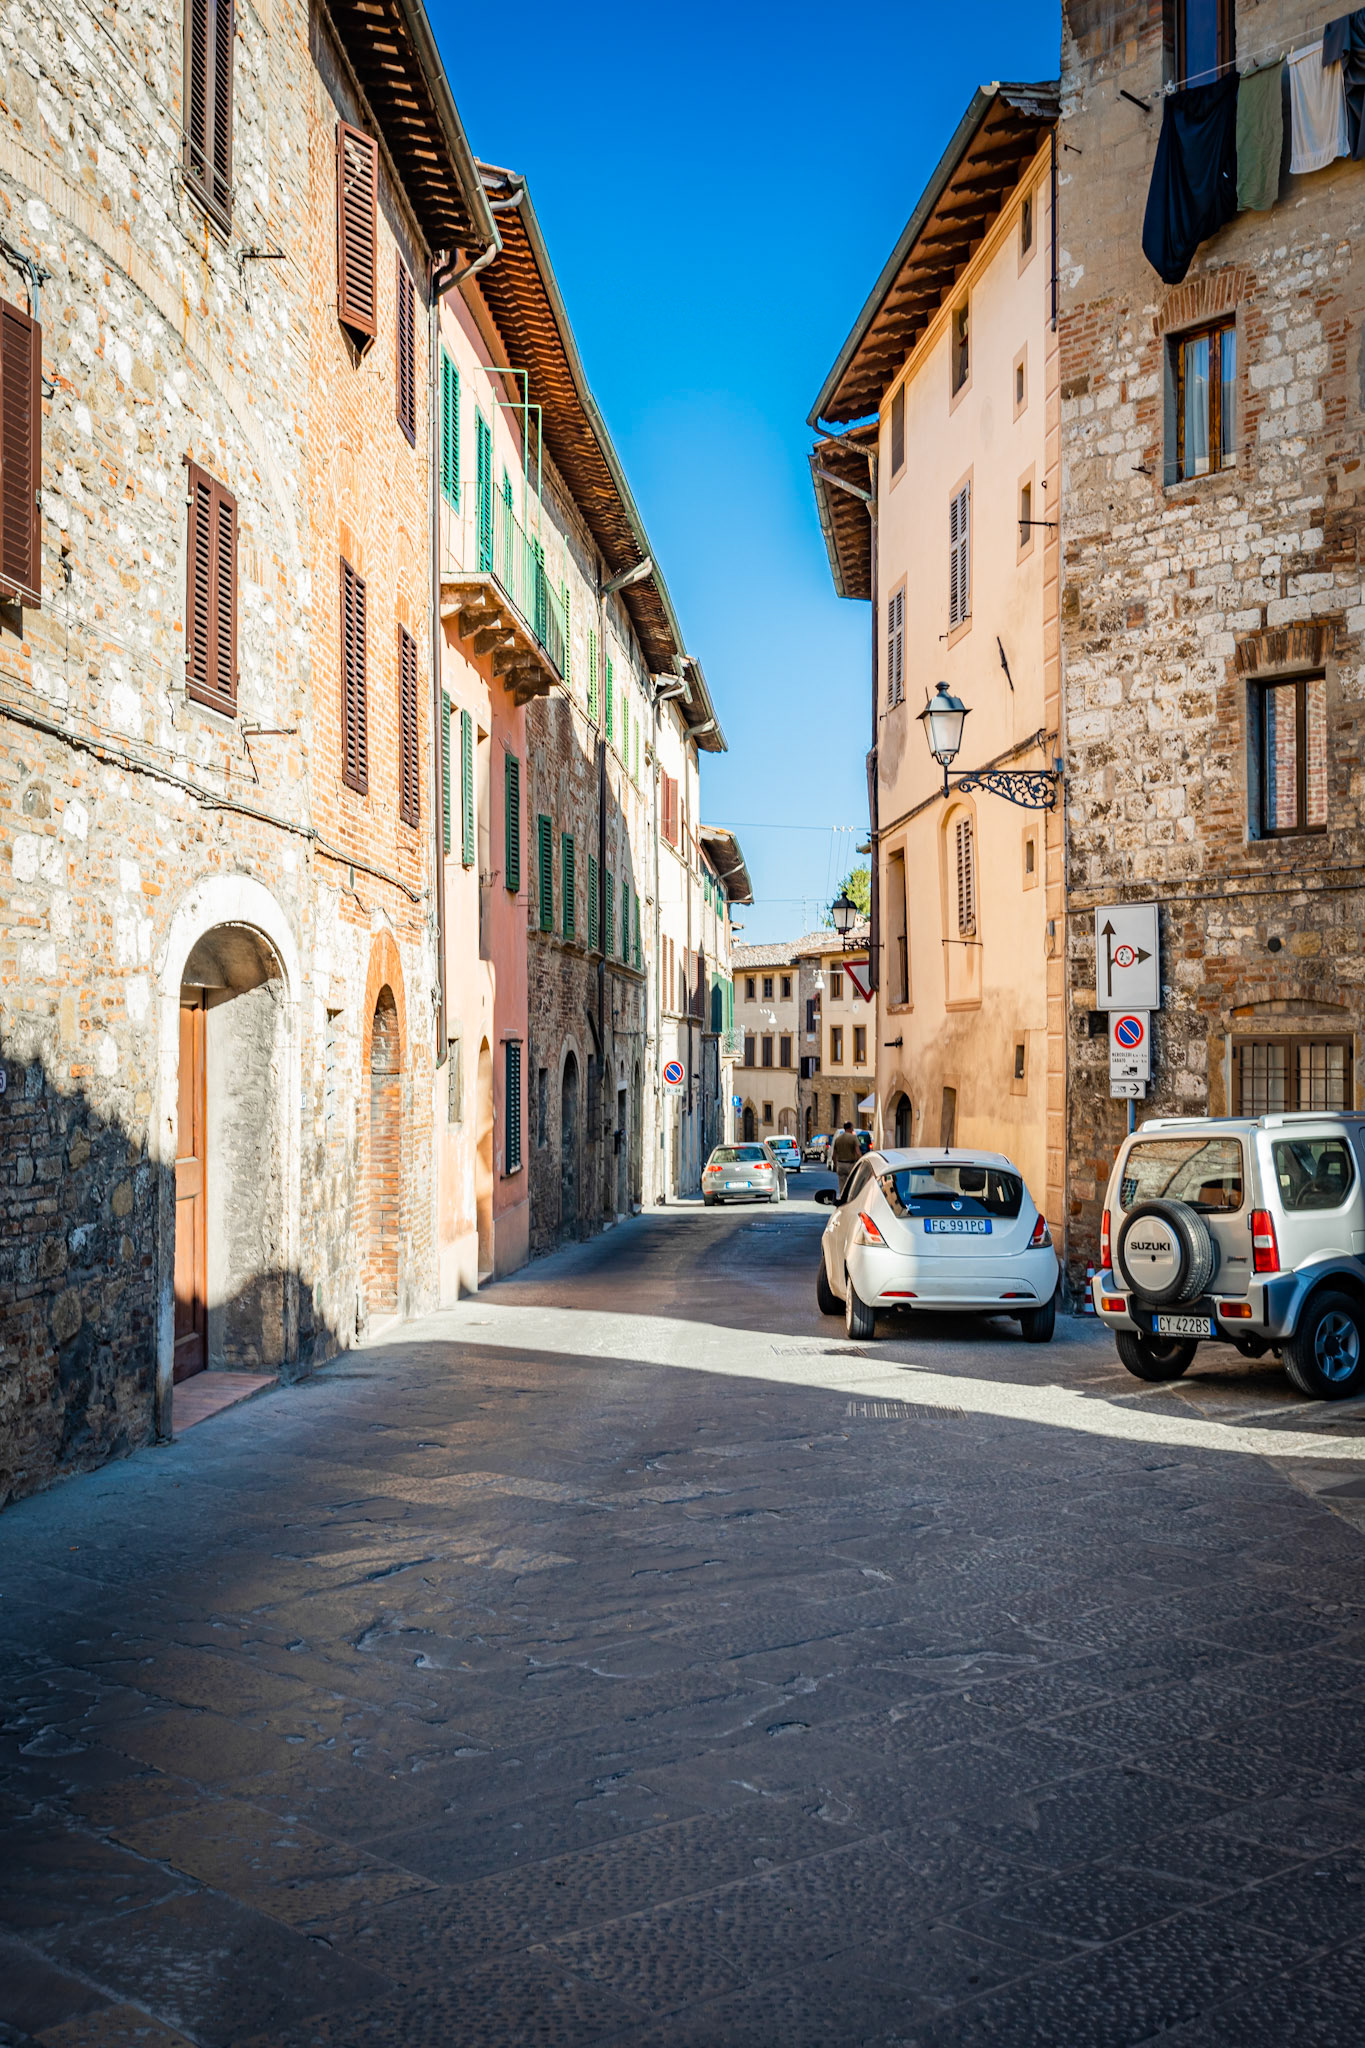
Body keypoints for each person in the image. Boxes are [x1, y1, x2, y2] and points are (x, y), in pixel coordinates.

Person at [831, 1120, 862, 1197]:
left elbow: (833, 1155)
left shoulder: (838, 1139)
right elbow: (858, 1152)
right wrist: (861, 1162)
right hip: (851, 1164)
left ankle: (842, 1199)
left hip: (841, 1164)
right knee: (852, 1184)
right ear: (850, 1128)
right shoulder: (853, 1138)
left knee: (842, 1186)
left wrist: (836, 1165)